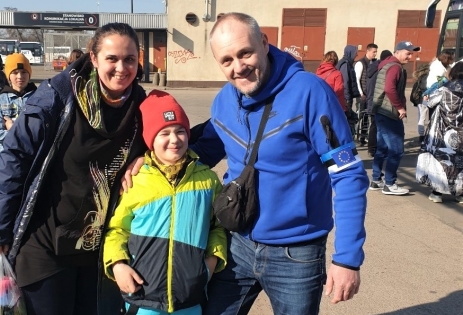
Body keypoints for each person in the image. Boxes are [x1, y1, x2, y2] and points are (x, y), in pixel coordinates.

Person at [172, 12, 367, 315]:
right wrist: (144, 164)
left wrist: (347, 259)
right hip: (237, 244)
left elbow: (348, 174)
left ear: (264, 43)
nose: (238, 67)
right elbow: (197, 152)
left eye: (245, 53)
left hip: (297, 254)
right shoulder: (224, 101)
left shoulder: (309, 92)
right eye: (227, 60)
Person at [0, 22, 148, 315]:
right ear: (94, 58)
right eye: (112, 58)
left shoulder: (140, 107)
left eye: (130, 59)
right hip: (45, 244)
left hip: (95, 247)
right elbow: (14, 158)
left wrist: (145, 156)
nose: (121, 68)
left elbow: (173, 143)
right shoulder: (58, 97)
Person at [103, 90, 227, 315]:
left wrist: (211, 263)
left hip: (189, 302)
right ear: (150, 140)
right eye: (164, 133)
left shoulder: (207, 180)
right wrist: (117, 265)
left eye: (180, 131)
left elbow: (217, 227)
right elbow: (116, 229)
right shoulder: (136, 181)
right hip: (142, 300)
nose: (174, 139)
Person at [370, 41, 420, 195]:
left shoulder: (386, 64)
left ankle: (376, 180)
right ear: (397, 52)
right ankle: (390, 184)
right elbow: (389, 88)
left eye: (411, 53)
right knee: (396, 150)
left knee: (382, 149)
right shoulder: (395, 67)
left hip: (381, 112)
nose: (410, 57)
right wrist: (399, 107)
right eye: (408, 53)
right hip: (389, 113)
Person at [416, 62, 463, 203]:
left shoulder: (444, 89)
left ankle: (437, 193)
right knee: (459, 161)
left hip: (442, 131)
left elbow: (428, 103)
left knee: (441, 160)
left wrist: (426, 98)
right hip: (460, 132)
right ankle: (460, 194)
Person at [0, 53, 37, 154]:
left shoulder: (38, 99)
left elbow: (40, 133)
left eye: (24, 72)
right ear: (9, 76)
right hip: (8, 158)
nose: (20, 76)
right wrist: (24, 133)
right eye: (15, 72)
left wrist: (13, 128)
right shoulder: (0, 101)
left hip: (31, 156)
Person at [366, 50, 393, 157]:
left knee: (374, 125)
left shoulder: (373, 68)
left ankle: (372, 149)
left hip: (371, 99)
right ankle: (377, 149)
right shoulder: (383, 69)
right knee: (380, 126)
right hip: (379, 101)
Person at [354, 43, 378, 145]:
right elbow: (357, 79)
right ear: (367, 51)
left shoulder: (374, 63)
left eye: (376, 52)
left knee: (367, 117)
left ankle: (364, 137)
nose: (375, 54)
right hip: (362, 95)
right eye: (374, 52)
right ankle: (355, 135)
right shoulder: (360, 63)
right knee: (360, 116)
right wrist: (361, 93)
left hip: (370, 94)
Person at [337, 45, 362, 135]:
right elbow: (345, 83)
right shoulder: (345, 64)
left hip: (346, 97)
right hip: (345, 98)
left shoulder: (348, 63)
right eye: (356, 52)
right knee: (346, 120)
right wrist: (347, 99)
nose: (357, 54)